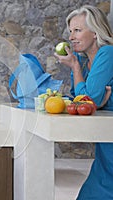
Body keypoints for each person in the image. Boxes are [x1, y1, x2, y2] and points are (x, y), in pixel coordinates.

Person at [55, 5, 113, 199]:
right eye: (70, 31)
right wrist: (94, 101)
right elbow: (77, 98)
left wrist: (74, 68)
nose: (71, 37)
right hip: (106, 140)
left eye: (78, 30)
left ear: (95, 32)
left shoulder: (107, 54)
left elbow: (87, 99)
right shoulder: (85, 61)